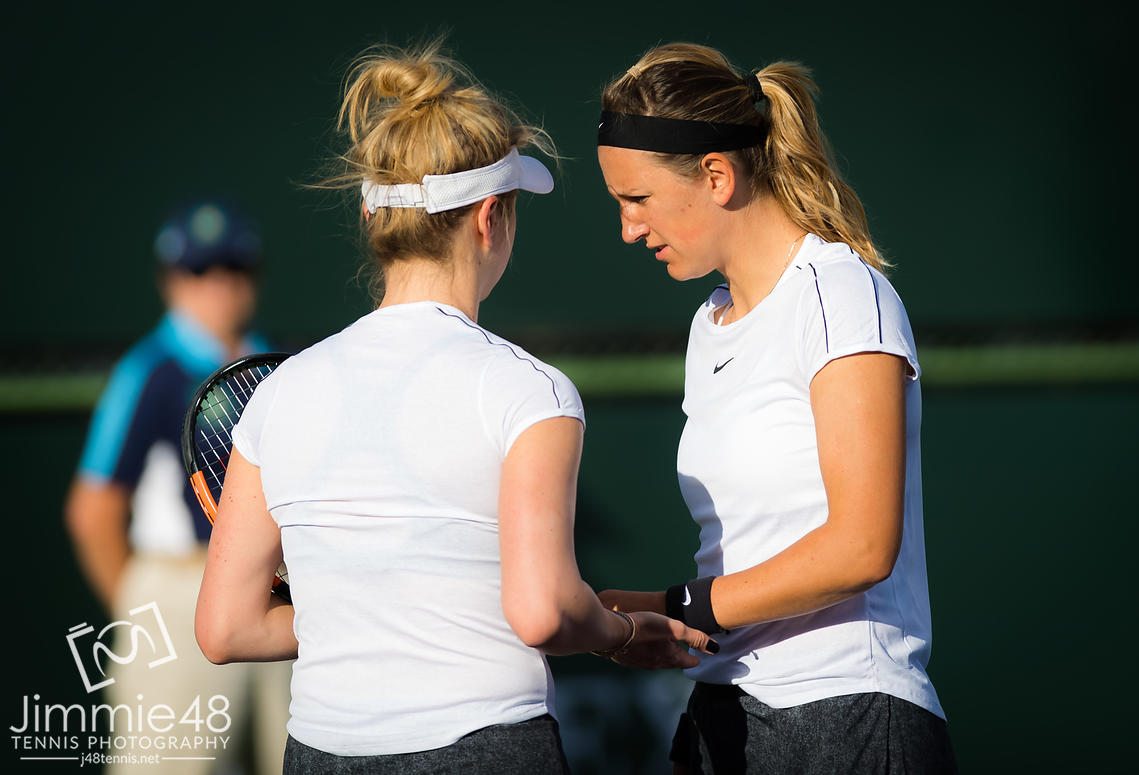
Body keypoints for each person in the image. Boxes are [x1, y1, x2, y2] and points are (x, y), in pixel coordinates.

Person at [193, 43, 718, 774]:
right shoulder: (531, 392)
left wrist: (359, 614)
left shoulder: (276, 396)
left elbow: (225, 628)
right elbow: (543, 611)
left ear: (374, 218)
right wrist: (624, 633)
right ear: (489, 218)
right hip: (487, 748)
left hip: (321, 753)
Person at [594, 43, 959, 774]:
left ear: (717, 176)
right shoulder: (709, 323)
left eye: (638, 199)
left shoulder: (841, 293)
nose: (628, 228)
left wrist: (678, 606)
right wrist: (640, 614)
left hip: (850, 715)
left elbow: (861, 546)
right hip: (721, 713)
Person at [65, 201, 292, 774]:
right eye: (198, 270)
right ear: (170, 280)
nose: (218, 284)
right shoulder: (149, 371)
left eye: (234, 267)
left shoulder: (273, 368)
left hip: (277, 595)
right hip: (176, 594)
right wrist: (146, 612)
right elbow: (92, 511)